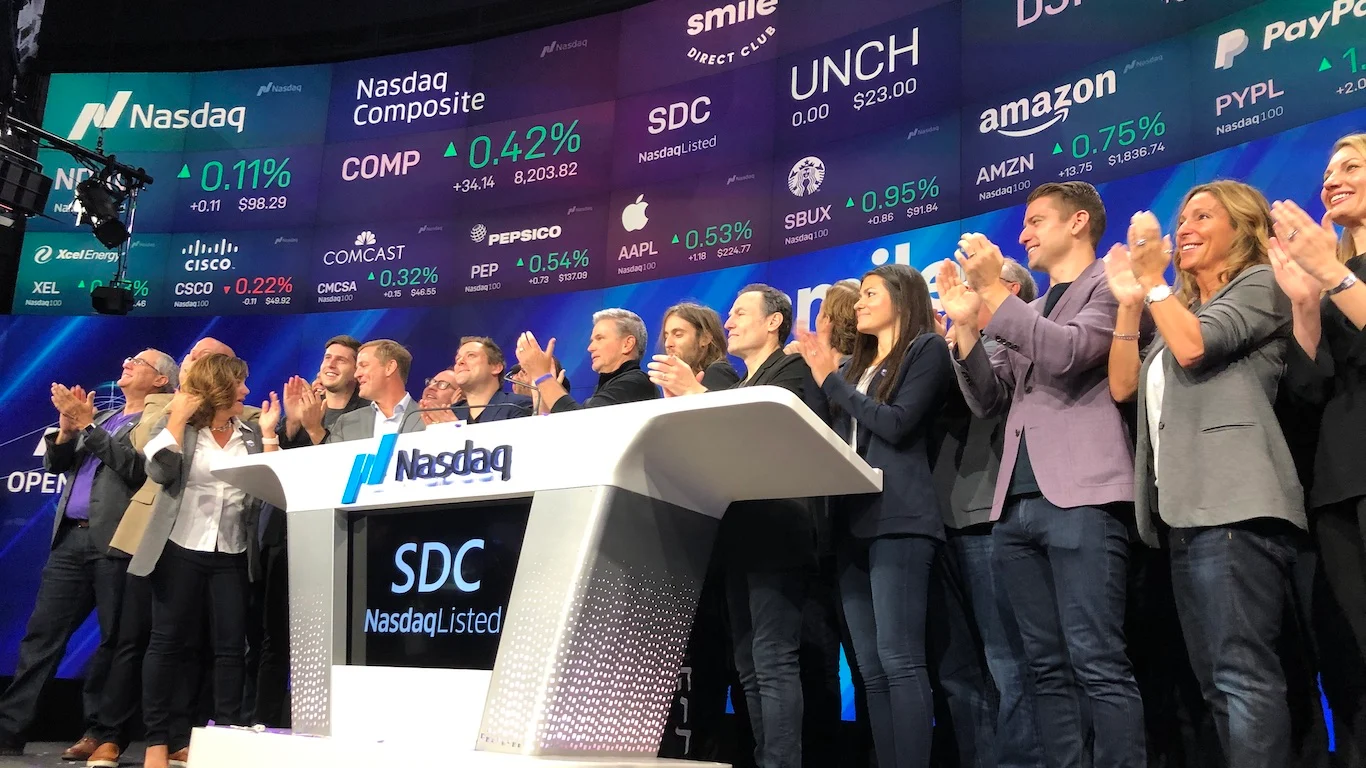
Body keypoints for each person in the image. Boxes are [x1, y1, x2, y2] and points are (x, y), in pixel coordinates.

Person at [937, 181, 1146, 768]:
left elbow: (1067, 354)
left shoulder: (1110, 283)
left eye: (1035, 222)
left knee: (1097, 660)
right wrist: (967, 330)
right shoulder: (1025, 310)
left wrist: (990, 299)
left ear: (1078, 222)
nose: (1022, 234)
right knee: (1045, 667)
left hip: (1082, 494)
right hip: (1014, 504)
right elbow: (987, 398)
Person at [1106, 182, 1304, 768]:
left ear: (1242, 229)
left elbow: (1196, 350)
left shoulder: (1261, 285)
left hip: (1235, 508)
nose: (1184, 227)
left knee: (1244, 679)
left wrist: (1157, 283)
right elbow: (1122, 386)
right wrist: (1129, 300)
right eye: (1181, 217)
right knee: (1218, 683)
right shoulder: (1178, 311)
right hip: (1184, 517)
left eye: (1202, 216)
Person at [794, 264, 952, 768]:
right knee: (870, 669)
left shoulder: (925, 349)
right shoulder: (853, 369)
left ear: (902, 300)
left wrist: (830, 382)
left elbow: (898, 424)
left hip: (899, 518)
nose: (858, 303)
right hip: (849, 524)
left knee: (901, 661)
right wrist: (826, 382)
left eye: (869, 294)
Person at [654, 284, 816, 768]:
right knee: (747, 666)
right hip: (737, 536)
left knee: (772, 659)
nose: (729, 322)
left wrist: (696, 393)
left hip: (779, 530)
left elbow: (773, 434)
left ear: (774, 321)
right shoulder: (745, 382)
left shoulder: (792, 370)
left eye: (741, 312)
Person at [0, 351, 173, 760]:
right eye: (127, 358)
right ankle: (9, 730)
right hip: (70, 541)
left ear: (161, 381)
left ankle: (100, 732)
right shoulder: (107, 415)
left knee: (114, 641)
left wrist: (87, 425)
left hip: (116, 541)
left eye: (139, 362)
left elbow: (136, 468)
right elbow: (58, 464)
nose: (127, 361)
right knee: (40, 638)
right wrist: (65, 430)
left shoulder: (161, 417)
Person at [84, 342, 234, 767]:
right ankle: (108, 735)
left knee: (184, 643)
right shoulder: (159, 408)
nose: (194, 361)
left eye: (206, 359)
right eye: (191, 356)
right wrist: (178, 414)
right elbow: (150, 463)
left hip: (201, 543)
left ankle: (175, 737)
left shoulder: (239, 418)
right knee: (129, 638)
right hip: (148, 536)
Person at [129, 354, 282, 768]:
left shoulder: (248, 434)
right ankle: (157, 742)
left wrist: (269, 437)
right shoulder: (181, 426)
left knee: (232, 649)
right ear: (219, 386)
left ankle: (225, 740)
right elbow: (160, 471)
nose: (246, 391)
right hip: (179, 548)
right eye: (240, 383)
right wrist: (177, 419)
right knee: (166, 644)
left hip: (231, 553)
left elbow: (273, 493)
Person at [1268, 134, 1366, 765]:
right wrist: (1306, 305)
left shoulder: (1340, 273)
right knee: (1350, 657)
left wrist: (1333, 272)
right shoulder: (1325, 283)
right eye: (1327, 172)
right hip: (1336, 484)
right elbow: (1308, 389)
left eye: (1350, 167)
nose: (1331, 181)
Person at [931, 259, 1047, 768]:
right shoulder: (957, 349)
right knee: (959, 672)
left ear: (1010, 293)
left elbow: (986, 405)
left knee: (1009, 662)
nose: (961, 295)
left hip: (992, 518)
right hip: (946, 522)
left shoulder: (1018, 349)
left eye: (975, 286)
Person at [250, 336, 369, 731]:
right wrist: (291, 425)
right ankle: (263, 724)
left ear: (358, 371)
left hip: (341, 536)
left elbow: (344, 473)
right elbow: (281, 473)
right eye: (327, 357)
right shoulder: (297, 414)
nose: (330, 364)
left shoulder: (367, 414)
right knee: (273, 641)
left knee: (332, 640)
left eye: (342, 360)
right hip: (284, 537)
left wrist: (316, 430)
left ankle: (326, 727)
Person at [515, 309, 658, 411]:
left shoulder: (634, 383)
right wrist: (541, 394)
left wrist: (542, 377)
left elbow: (581, 425)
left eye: (600, 338)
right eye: (592, 340)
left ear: (627, 344)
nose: (590, 348)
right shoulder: (608, 386)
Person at [324, 340, 425, 441]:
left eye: (363, 365)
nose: (356, 374)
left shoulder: (430, 419)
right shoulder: (345, 424)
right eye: (357, 368)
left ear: (389, 367)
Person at [657, 302, 740, 392]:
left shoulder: (716, 373)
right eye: (666, 337)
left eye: (678, 335)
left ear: (705, 338)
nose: (667, 344)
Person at [451, 337, 532, 423]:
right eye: (457, 359)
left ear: (496, 367)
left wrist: (457, 432)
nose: (460, 362)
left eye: (471, 355)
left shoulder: (519, 405)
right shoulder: (450, 413)